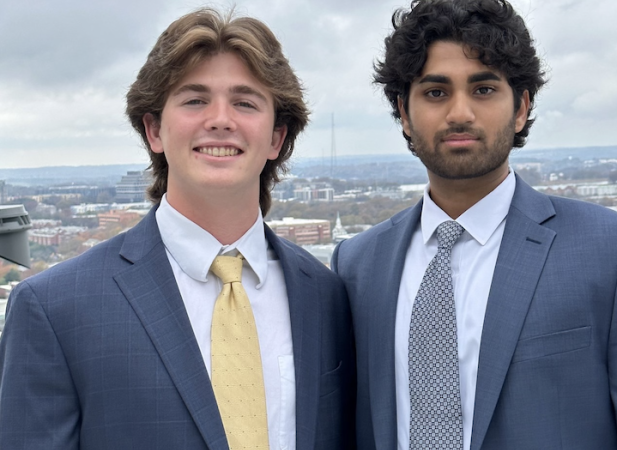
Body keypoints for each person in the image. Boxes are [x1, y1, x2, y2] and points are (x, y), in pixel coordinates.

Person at [332, 0, 617, 449]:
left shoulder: (616, 253)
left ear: (521, 107)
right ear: (403, 111)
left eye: (483, 90)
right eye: (436, 92)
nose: (460, 113)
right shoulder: (357, 265)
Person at [0, 8, 355, 450]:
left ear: (276, 138)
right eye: (195, 100)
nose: (220, 119)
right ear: (154, 129)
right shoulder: (55, 309)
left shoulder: (327, 296)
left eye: (245, 102)